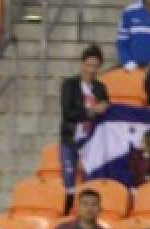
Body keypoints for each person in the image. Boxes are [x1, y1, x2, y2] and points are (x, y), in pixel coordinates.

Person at [58, 45, 110, 213]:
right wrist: (92, 111)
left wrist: (105, 107)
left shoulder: (101, 88)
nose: (91, 69)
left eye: (95, 66)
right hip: (71, 137)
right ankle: (67, 211)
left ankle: (89, 211)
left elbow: (107, 112)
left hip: (91, 140)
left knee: (90, 178)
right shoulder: (70, 85)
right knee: (69, 177)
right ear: (82, 64)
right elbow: (68, 112)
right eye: (88, 65)